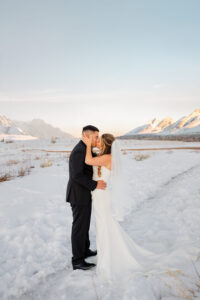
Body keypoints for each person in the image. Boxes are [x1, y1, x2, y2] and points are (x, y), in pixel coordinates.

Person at [81, 133, 171, 282]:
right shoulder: (106, 156)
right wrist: (92, 145)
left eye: (100, 142)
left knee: (104, 226)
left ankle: (108, 260)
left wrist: (89, 144)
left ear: (106, 145)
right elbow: (94, 160)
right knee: (104, 225)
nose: (99, 144)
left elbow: (88, 160)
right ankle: (107, 254)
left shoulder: (107, 158)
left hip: (101, 196)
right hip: (99, 194)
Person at [66, 125, 107, 271]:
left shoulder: (86, 149)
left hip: (84, 194)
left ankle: (85, 250)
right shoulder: (79, 151)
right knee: (79, 227)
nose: (97, 139)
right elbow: (76, 175)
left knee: (85, 225)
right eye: (96, 137)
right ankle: (77, 260)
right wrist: (95, 184)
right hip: (78, 195)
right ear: (87, 136)